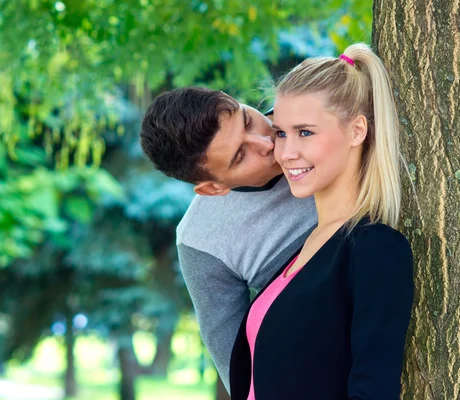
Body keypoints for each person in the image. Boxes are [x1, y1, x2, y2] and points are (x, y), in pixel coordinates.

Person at [229, 43, 415, 400]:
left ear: (357, 131)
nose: (285, 153)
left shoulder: (374, 248)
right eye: (281, 133)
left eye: (306, 132)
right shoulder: (309, 245)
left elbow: (373, 389)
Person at [139, 87, 317, 393]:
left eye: (247, 121)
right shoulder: (202, 243)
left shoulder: (316, 108)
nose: (266, 142)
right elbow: (242, 377)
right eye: (239, 155)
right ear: (213, 188)